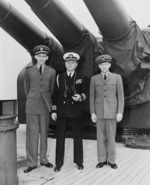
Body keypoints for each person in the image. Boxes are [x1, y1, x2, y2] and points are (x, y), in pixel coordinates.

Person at [51, 52, 88, 172]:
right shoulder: (59, 77)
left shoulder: (81, 77)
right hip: (62, 111)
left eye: (73, 62)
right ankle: (58, 163)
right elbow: (55, 95)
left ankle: (79, 161)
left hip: (76, 110)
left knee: (78, 137)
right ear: (65, 63)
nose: (70, 64)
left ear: (76, 64)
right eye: (68, 62)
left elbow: (86, 93)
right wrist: (54, 110)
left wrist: (80, 97)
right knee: (60, 137)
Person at [24, 45, 56, 173]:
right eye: (39, 56)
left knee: (44, 134)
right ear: (35, 56)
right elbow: (27, 89)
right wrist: (32, 100)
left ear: (47, 57)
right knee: (32, 135)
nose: (42, 58)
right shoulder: (29, 71)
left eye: (44, 56)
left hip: (45, 106)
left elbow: (52, 90)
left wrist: (49, 104)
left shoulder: (51, 72)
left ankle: (43, 159)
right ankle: (31, 163)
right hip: (32, 106)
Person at [90, 54, 124, 169]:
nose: (104, 66)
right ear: (99, 66)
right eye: (101, 64)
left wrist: (120, 112)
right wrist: (92, 113)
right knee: (100, 138)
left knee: (111, 137)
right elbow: (92, 97)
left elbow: (120, 97)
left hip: (112, 112)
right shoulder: (94, 79)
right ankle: (102, 160)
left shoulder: (117, 77)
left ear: (109, 64)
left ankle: (112, 160)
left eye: (106, 64)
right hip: (99, 112)